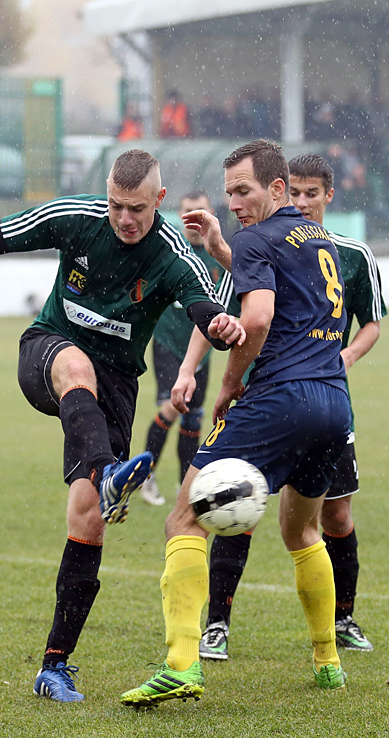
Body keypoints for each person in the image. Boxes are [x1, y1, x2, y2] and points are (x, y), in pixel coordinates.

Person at [0, 149, 244, 703]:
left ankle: (55, 665)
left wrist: (220, 326)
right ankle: (109, 473)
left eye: (137, 209)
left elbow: (204, 313)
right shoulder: (76, 217)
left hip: (115, 389)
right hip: (48, 352)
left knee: (86, 517)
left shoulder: (173, 256)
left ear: (159, 201)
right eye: (117, 205)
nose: (124, 219)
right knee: (76, 366)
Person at [120, 139, 352, 708]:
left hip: (279, 400)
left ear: (277, 187)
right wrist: (222, 247)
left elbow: (260, 314)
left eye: (243, 191)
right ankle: (327, 661)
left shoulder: (258, 239)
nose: (234, 203)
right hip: (333, 403)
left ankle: (180, 665)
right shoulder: (319, 237)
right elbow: (278, 283)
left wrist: (226, 384)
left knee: (183, 520)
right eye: (228, 194)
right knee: (302, 532)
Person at [198, 153, 386, 663]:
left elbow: (369, 321)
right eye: (295, 193)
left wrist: (340, 356)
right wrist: (219, 248)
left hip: (299, 393)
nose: (302, 202)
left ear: (328, 195)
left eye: (311, 194)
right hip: (312, 397)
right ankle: (219, 623)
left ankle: (340, 619)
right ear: (284, 191)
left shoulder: (347, 252)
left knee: (332, 513)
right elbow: (237, 305)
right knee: (244, 507)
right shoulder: (266, 240)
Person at [138, 191, 236, 506]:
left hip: (202, 349)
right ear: (178, 214)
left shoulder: (218, 254)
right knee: (172, 407)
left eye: (201, 211)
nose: (194, 218)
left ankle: (185, 484)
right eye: (187, 211)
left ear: (211, 215)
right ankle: (146, 474)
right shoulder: (168, 253)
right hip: (168, 342)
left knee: (193, 418)